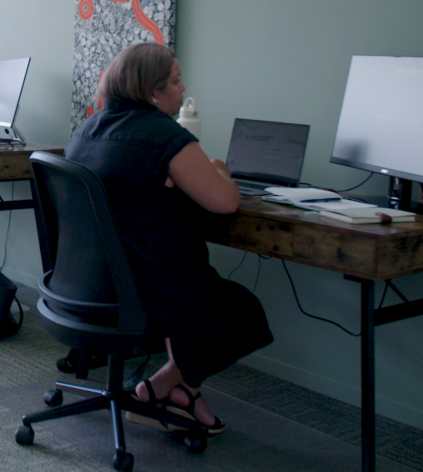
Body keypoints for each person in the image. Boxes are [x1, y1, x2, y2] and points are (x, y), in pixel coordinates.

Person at [64, 42, 273, 435]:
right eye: (176, 81)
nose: (183, 88)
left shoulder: (88, 129)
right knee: (238, 311)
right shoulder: (163, 135)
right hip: (139, 294)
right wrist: (219, 172)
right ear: (152, 91)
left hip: (82, 287)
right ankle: (158, 389)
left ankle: (181, 393)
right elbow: (225, 202)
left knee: (190, 287)